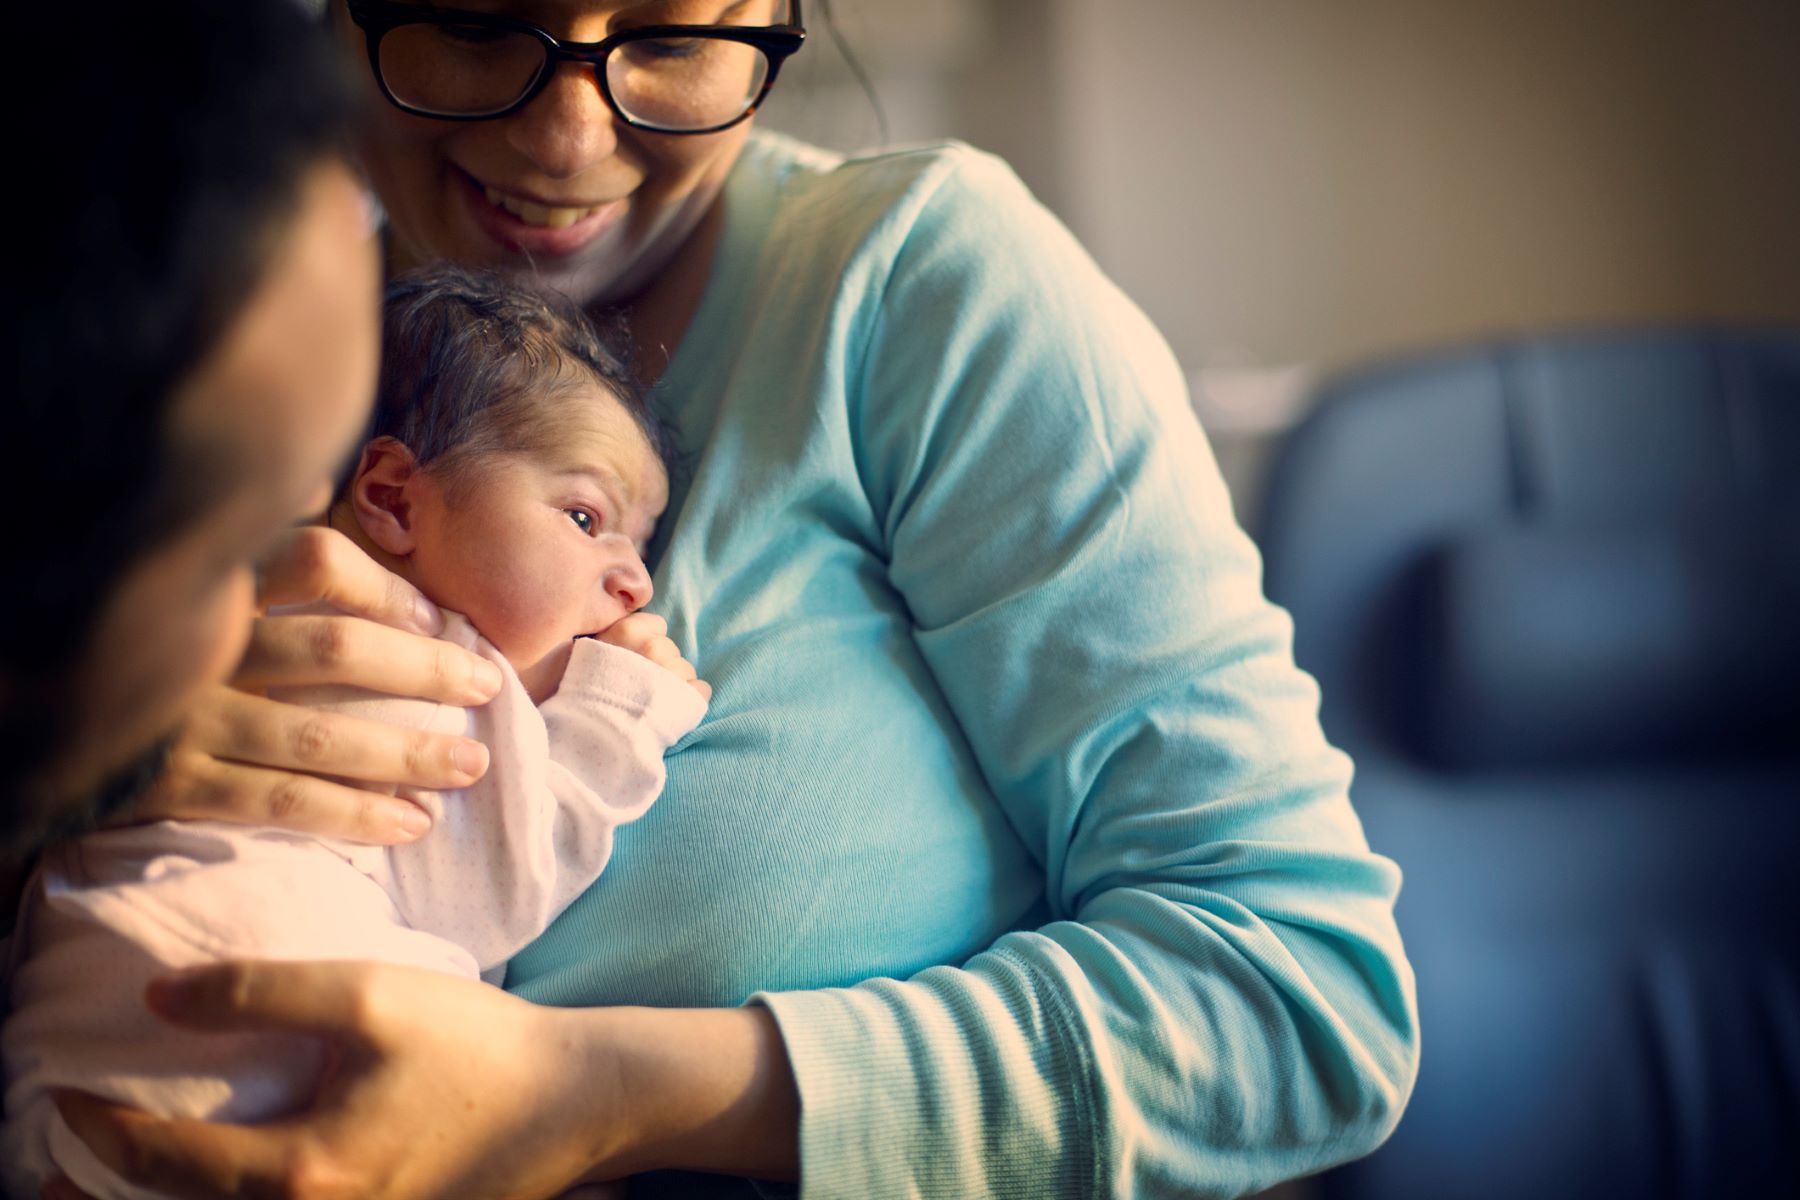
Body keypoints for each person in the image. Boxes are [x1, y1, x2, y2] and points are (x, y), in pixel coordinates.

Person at [53, 1, 1422, 1196]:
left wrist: (597, 1092)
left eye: (670, 35)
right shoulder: (177, 299)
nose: (563, 141)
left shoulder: (915, 286)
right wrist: (84, 765)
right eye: (472, 22)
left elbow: (1297, 1001)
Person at [4, 267, 711, 1199]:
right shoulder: (423, 665)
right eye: (586, 518)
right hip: (218, 1037)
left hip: (93, 1050)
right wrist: (622, 712)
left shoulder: (239, 612)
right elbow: (493, 886)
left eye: (642, 547)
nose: (634, 583)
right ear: (393, 497)